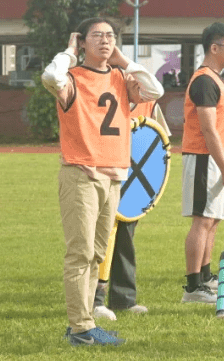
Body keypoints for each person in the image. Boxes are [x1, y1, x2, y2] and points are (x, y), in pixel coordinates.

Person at [41, 17, 163, 346]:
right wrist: (68, 51)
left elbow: (155, 90)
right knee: (80, 253)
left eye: (110, 36)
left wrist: (125, 61)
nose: (105, 41)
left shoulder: (121, 78)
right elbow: (51, 75)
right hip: (81, 173)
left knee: (96, 254)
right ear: (83, 42)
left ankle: (87, 322)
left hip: (113, 176)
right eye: (97, 36)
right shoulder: (72, 78)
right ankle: (80, 327)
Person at [181, 22, 224, 304]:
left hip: (215, 159)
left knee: (213, 220)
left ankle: (207, 278)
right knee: (202, 220)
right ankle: (193, 287)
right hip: (203, 158)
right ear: (214, 48)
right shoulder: (205, 81)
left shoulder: (216, 80)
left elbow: (219, 119)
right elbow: (207, 129)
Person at [92, 93, 170, 320]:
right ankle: (95, 300)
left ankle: (123, 299)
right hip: (106, 176)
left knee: (125, 241)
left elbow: (158, 139)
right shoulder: (106, 97)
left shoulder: (148, 102)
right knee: (100, 243)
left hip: (131, 190)